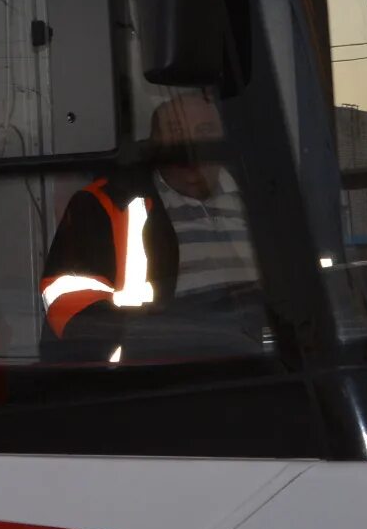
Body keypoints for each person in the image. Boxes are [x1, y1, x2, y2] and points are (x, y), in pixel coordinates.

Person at [39, 90, 261, 356]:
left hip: (269, 371)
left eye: (204, 131)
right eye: (176, 131)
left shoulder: (261, 195)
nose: (190, 146)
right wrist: (153, 341)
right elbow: (70, 308)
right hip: (163, 376)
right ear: (156, 143)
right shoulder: (105, 205)